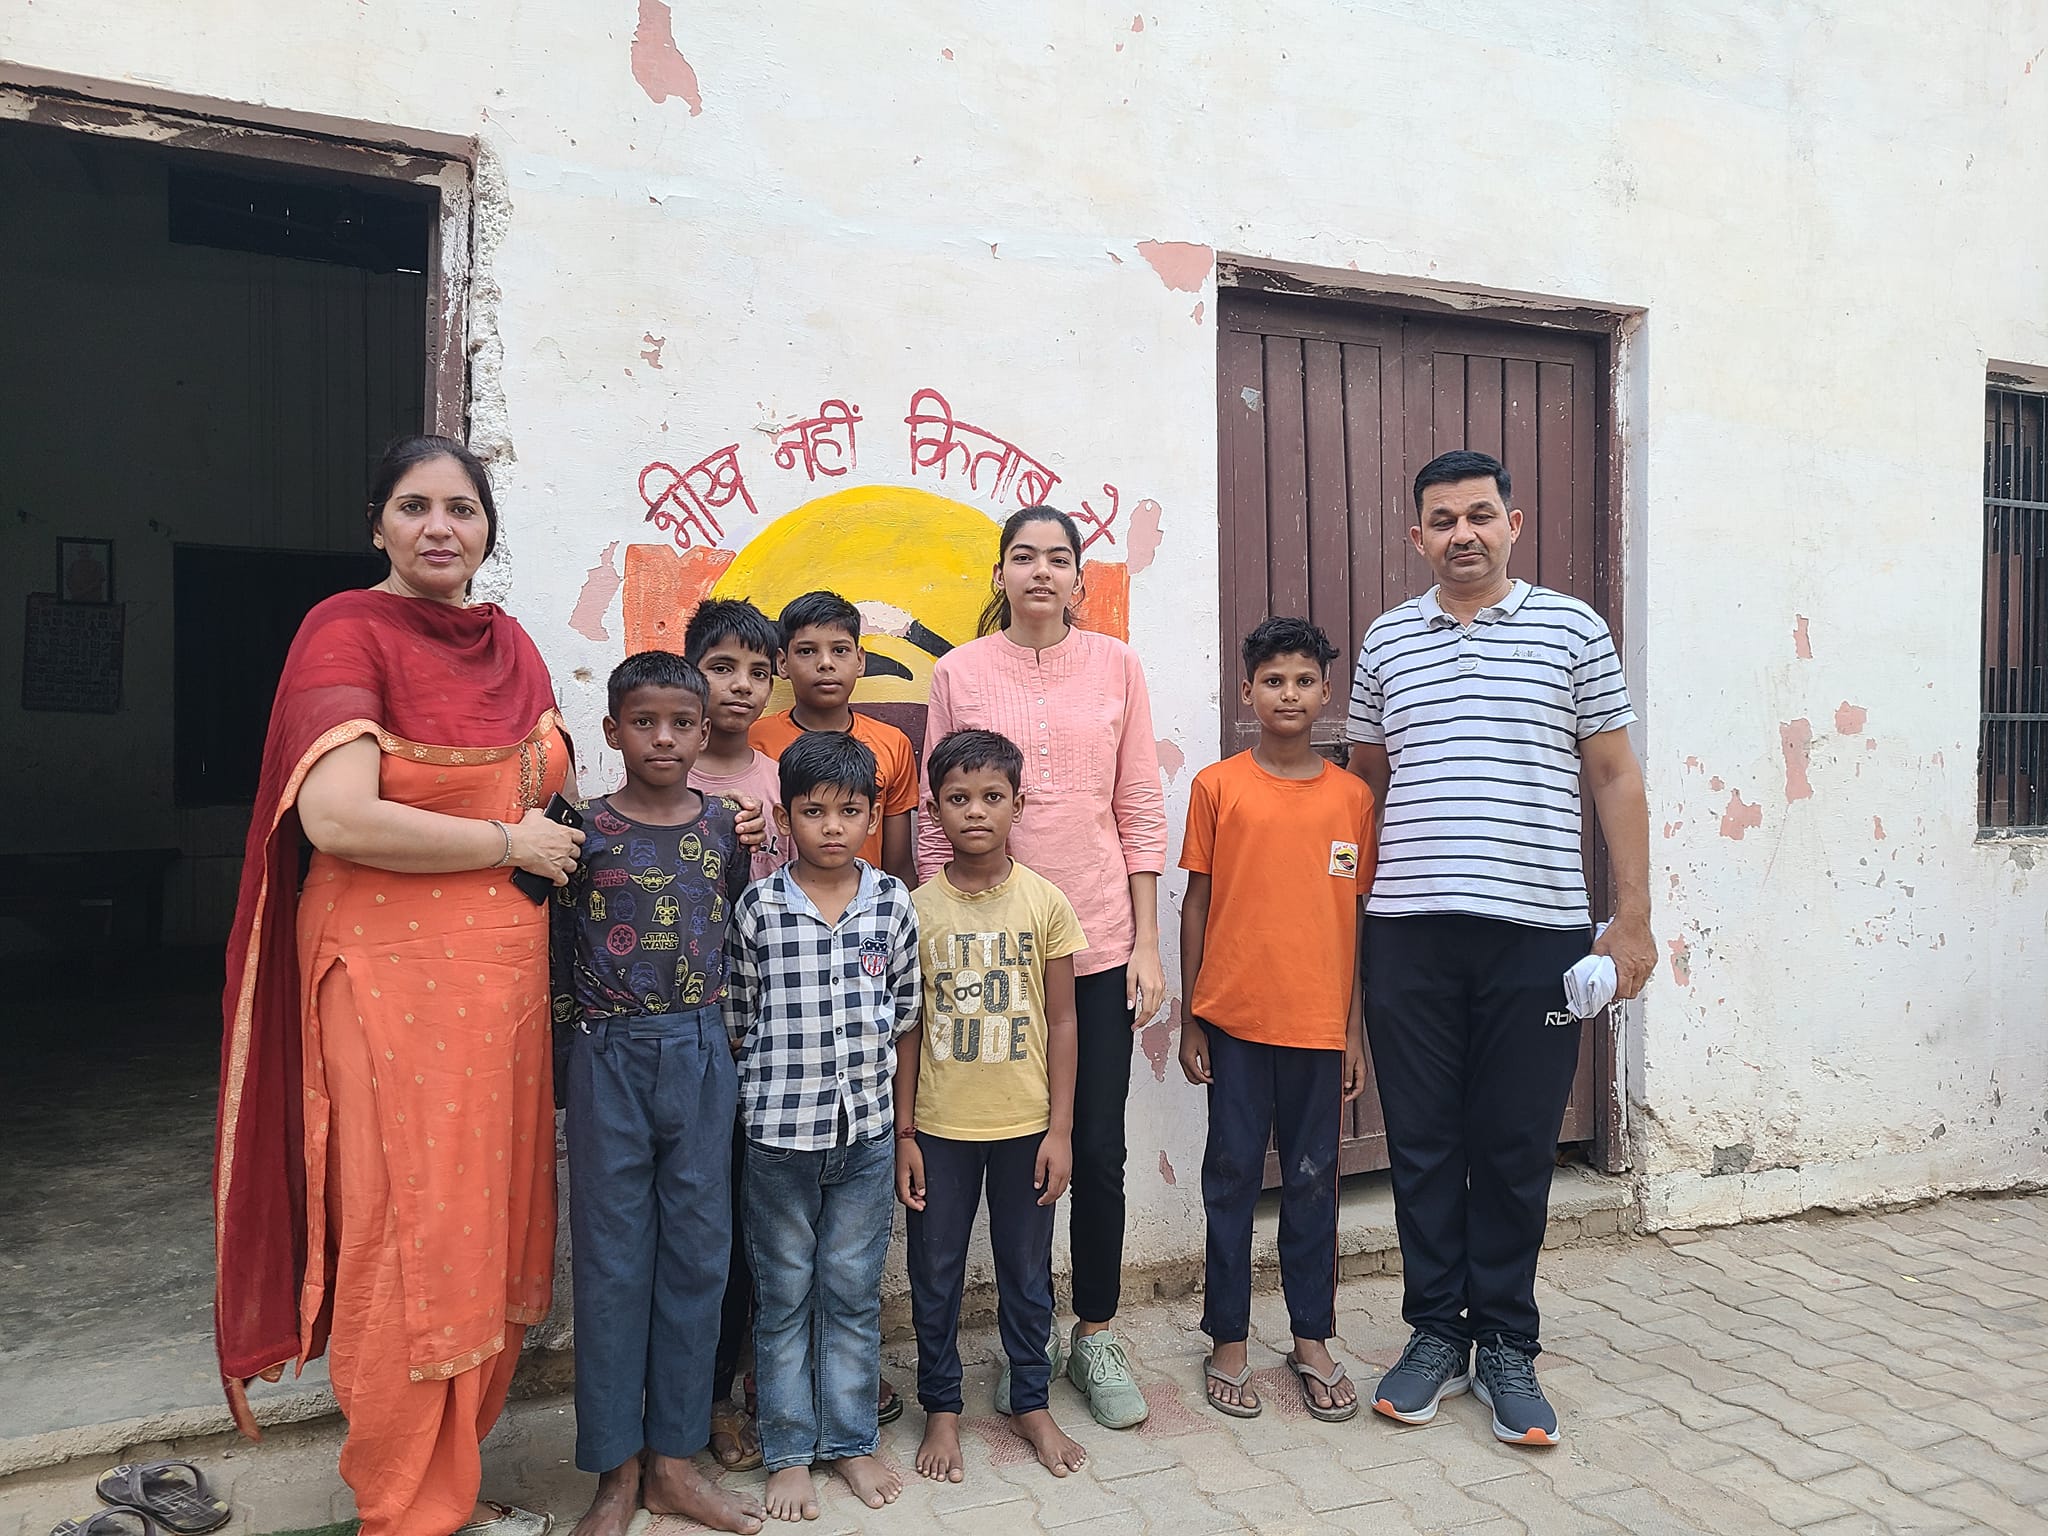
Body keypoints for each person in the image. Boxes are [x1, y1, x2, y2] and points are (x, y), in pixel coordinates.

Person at [215, 435, 583, 1536]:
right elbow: (339, 817)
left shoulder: (511, 645)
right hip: (387, 978)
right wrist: (507, 844)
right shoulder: (346, 630)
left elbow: (545, 794)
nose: (439, 528)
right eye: (414, 506)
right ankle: (402, 1503)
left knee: (490, 1222)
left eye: (461, 508)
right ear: (375, 521)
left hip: (502, 985)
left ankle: (451, 1482)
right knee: (406, 1225)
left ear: (488, 528)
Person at [1345, 449, 1655, 1447]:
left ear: (1512, 524)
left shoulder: (1573, 629)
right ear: (1417, 537)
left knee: (1516, 1145)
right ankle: (1436, 1333)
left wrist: (1632, 918)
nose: (1462, 534)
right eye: (1442, 521)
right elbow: (1364, 786)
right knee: (1423, 1143)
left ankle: (1508, 1343)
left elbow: (1614, 776)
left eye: (1479, 515)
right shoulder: (1386, 641)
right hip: (1409, 932)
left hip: (1539, 934)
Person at [918, 506, 1166, 1430]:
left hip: (1096, 943)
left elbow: (1138, 803)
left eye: (1058, 559)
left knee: (1095, 1149)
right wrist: (934, 939)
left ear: (1078, 580)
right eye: (1023, 557)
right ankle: (1023, 1343)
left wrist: (1147, 943)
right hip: (985, 950)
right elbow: (938, 819)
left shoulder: (1118, 666)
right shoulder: (958, 672)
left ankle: (1092, 1333)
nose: (1040, 573)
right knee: (998, 1150)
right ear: (1000, 574)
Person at [550, 651, 765, 1536]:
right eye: (644, 722)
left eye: (682, 723)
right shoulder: (581, 833)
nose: (664, 738)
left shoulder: (724, 828)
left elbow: (735, 932)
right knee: (611, 1265)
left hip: (703, 1053)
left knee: (699, 1260)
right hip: (607, 1056)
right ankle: (616, 1470)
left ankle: (675, 1464)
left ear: (705, 731)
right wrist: (562, 1068)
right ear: (613, 731)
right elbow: (556, 953)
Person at [1178, 618, 1374, 1423]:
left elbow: (1354, 919)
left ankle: (1310, 1337)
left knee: (1311, 1184)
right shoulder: (1217, 787)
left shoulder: (1352, 798)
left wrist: (1352, 1030)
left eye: (1303, 681)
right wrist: (1193, 1018)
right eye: (1272, 680)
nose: (1288, 694)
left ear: (1327, 694)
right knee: (1230, 1179)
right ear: (1248, 691)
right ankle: (1227, 1338)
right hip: (1233, 1022)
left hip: (1318, 1029)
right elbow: (1196, 904)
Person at [724, 732, 920, 1522]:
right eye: (812, 812)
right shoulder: (760, 907)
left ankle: (850, 1441)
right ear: (785, 818)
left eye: (848, 812)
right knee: (782, 1297)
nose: (831, 827)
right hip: (778, 1138)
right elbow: (739, 1018)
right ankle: (788, 1453)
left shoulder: (892, 903)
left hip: (865, 1133)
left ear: (873, 817)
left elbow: (904, 1012)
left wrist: (902, 1130)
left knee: (851, 1293)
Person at [897, 729, 1089, 1482]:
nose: (975, 811)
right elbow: (908, 1027)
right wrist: (906, 1133)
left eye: (992, 797)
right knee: (935, 1271)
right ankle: (942, 1409)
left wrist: (1061, 1130)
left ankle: (1031, 1402)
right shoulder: (914, 910)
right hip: (940, 1129)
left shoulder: (1045, 902)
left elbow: (1064, 1020)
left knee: (1026, 1271)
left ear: (1018, 803)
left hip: (1026, 1128)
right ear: (933, 809)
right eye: (958, 798)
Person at [683, 596, 789, 1476]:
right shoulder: (662, 768)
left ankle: (754, 1381)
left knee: (763, 1219)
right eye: (722, 668)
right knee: (703, 1221)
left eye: (758, 671)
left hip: (768, 1031)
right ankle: (702, 1394)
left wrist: (766, 840)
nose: (741, 687)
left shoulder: (778, 779)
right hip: (687, 1031)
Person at [750, 590, 920, 886]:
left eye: (840, 650)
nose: (826, 663)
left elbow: (899, 867)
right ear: (782, 663)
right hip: (778, 905)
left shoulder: (893, 744)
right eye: (807, 651)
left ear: (860, 661)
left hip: (868, 908)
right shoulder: (756, 741)